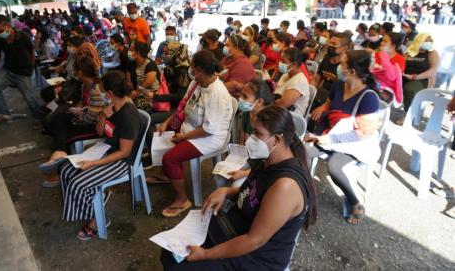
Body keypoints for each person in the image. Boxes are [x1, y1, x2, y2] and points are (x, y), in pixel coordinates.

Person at [161, 106, 317, 271]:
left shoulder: (285, 187)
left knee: (179, 267)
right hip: (237, 231)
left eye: (257, 133)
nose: (251, 138)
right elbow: (254, 193)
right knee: (169, 252)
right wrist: (227, 191)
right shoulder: (268, 160)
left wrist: (205, 254)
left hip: (257, 257)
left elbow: (254, 240)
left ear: (277, 140)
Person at [148, 50, 233, 217]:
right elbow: (184, 106)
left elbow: (210, 129)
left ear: (200, 69)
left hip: (209, 138)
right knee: (158, 135)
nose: (191, 70)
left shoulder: (217, 94)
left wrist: (184, 137)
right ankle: (167, 174)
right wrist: (166, 123)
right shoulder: (197, 83)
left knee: (170, 158)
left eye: (193, 68)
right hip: (190, 128)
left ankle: (182, 199)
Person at [59, 71, 142, 240]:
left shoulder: (128, 115)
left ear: (110, 93)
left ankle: (98, 219)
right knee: (65, 170)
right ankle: (96, 200)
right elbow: (100, 131)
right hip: (106, 150)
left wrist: (93, 163)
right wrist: (103, 115)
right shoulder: (113, 107)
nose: (102, 94)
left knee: (78, 183)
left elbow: (124, 152)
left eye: (104, 91)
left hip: (123, 162)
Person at [307, 50, 380, 224]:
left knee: (335, 167)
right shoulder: (339, 85)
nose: (339, 66)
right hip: (330, 135)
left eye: (343, 64)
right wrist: (321, 117)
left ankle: (355, 202)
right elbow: (330, 106)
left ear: (352, 71)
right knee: (301, 151)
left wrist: (332, 140)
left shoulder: (369, 98)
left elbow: (363, 133)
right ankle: (304, 190)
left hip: (352, 142)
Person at [40, 55, 106, 187]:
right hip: (86, 118)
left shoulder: (96, 89)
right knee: (60, 119)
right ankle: (60, 156)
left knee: (63, 127)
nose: (74, 72)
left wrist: (76, 116)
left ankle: (60, 162)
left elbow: (91, 118)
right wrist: (76, 110)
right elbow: (83, 104)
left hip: (96, 125)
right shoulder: (84, 86)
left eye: (75, 69)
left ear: (80, 72)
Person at [0, 14, 41, 125]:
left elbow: (32, 52)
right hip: (8, 69)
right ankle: (6, 114)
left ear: (8, 26)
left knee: (29, 98)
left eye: (0, 31)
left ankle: (38, 118)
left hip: (23, 72)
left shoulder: (23, 36)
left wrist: (31, 68)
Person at [311, 33, 351, 110]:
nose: (330, 45)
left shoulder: (347, 66)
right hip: (321, 96)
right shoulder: (326, 58)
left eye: (334, 44)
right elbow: (316, 80)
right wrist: (309, 92)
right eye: (329, 42)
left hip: (336, 102)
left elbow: (345, 94)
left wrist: (324, 106)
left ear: (345, 48)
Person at [402, 33, 440, 112]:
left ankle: (408, 114)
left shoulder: (432, 53)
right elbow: (401, 64)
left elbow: (433, 70)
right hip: (405, 76)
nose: (429, 43)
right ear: (419, 41)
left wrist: (416, 77)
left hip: (421, 79)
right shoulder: (409, 51)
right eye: (426, 41)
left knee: (410, 89)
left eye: (430, 41)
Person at [371, 32, 404, 105]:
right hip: (373, 84)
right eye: (382, 40)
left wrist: (384, 56)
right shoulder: (376, 55)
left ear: (393, 46)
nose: (381, 43)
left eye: (385, 41)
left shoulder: (400, 59)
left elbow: (391, 77)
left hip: (387, 90)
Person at [275, 48, 310, 117]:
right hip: (278, 111)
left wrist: (270, 99)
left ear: (294, 64)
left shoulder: (299, 81)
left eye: (284, 61)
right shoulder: (286, 75)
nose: (280, 63)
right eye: (281, 60)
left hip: (290, 117)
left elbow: (283, 104)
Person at [128, 42, 160, 110]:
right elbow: (130, 81)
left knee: (132, 108)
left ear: (138, 53)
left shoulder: (150, 65)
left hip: (151, 95)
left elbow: (146, 85)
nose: (129, 52)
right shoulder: (133, 63)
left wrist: (135, 93)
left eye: (131, 50)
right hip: (139, 93)